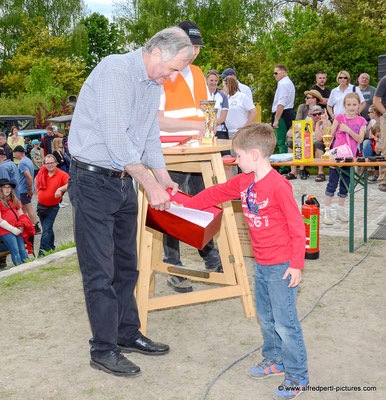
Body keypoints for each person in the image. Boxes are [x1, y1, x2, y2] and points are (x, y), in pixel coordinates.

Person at [68, 26, 193, 377]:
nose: (173, 77)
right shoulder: (115, 71)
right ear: (156, 53)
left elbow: (148, 134)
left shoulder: (152, 83)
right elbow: (116, 138)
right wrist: (150, 184)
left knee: (127, 265)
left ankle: (126, 333)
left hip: (124, 180)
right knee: (100, 270)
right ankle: (103, 348)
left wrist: (164, 176)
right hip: (93, 180)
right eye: (173, 69)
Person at [181, 123, 308, 400]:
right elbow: (215, 194)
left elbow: (298, 227)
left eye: (237, 156)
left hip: (282, 266)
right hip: (261, 264)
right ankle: (274, 360)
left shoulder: (279, 186)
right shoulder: (244, 181)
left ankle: (297, 374)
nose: (235, 161)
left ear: (254, 154)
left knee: (285, 322)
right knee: (265, 316)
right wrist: (183, 205)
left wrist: (296, 264)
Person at [159, 21, 223, 293]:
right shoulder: (162, 72)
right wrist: (196, 128)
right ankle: (172, 266)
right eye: (191, 47)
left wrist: (207, 130)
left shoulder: (197, 72)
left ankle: (212, 260)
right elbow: (155, 119)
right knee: (170, 211)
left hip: (197, 151)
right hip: (170, 153)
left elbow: (204, 112)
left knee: (203, 206)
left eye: (197, 47)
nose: (195, 52)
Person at [323, 93, 367, 225]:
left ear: (359, 105)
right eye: (349, 104)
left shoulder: (362, 121)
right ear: (344, 105)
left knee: (345, 184)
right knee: (332, 183)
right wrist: (326, 122)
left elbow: (360, 139)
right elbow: (329, 135)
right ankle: (327, 211)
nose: (351, 107)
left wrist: (348, 130)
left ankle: (340, 210)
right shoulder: (339, 117)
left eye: (354, 104)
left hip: (350, 157)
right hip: (337, 156)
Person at [35, 155, 69, 255]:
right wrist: (38, 193)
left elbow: (69, 183)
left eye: (51, 163)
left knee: (46, 229)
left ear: (56, 163)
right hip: (40, 206)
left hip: (53, 207)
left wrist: (60, 189)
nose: (49, 165)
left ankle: (42, 253)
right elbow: (36, 180)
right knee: (48, 229)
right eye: (47, 163)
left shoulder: (61, 174)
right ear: (44, 164)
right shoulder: (42, 172)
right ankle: (51, 248)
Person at [286, 105, 330, 181]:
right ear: (310, 115)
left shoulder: (326, 122)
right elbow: (289, 133)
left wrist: (318, 124)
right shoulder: (306, 122)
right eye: (314, 114)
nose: (317, 116)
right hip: (307, 144)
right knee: (291, 144)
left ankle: (321, 172)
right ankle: (294, 171)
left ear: (322, 114)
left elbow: (319, 138)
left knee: (317, 144)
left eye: (319, 114)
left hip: (321, 145)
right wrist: (298, 134)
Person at [0, 178, 29, 265]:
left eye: (9, 187)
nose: (7, 189)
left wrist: (22, 225)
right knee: (15, 250)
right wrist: (13, 230)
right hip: (6, 231)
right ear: (1, 189)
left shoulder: (13, 199)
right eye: (5, 187)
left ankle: (29, 266)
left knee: (22, 249)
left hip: (18, 228)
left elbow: (21, 213)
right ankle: (20, 269)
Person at [12, 146, 40, 234]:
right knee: (22, 209)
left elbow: (28, 176)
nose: (14, 154)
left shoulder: (22, 163)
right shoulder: (28, 160)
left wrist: (29, 189)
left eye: (15, 152)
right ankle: (23, 225)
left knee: (29, 208)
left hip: (24, 189)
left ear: (18, 153)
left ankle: (36, 226)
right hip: (26, 188)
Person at [223, 76, 257, 141]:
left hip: (239, 132)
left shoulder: (242, 97)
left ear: (229, 86)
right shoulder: (227, 98)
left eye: (224, 86)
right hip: (229, 132)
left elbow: (253, 111)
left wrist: (246, 127)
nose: (223, 88)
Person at [272, 64, 296, 157]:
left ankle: (284, 167)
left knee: (281, 141)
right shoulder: (287, 82)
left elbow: (281, 103)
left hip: (282, 114)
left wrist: (276, 119)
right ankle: (288, 165)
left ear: (283, 73)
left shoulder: (283, 84)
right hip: (287, 112)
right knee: (288, 141)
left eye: (276, 73)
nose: (274, 75)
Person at [206, 69, 229, 147]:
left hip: (220, 131)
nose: (213, 83)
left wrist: (212, 126)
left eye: (215, 81)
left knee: (226, 156)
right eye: (211, 80)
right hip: (204, 132)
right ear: (206, 80)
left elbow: (223, 117)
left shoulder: (223, 97)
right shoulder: (201, 94)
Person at [373, 75, 386, 192]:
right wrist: (385, 113)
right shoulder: (385, 80)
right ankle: (383, 180)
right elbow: (376, 100)